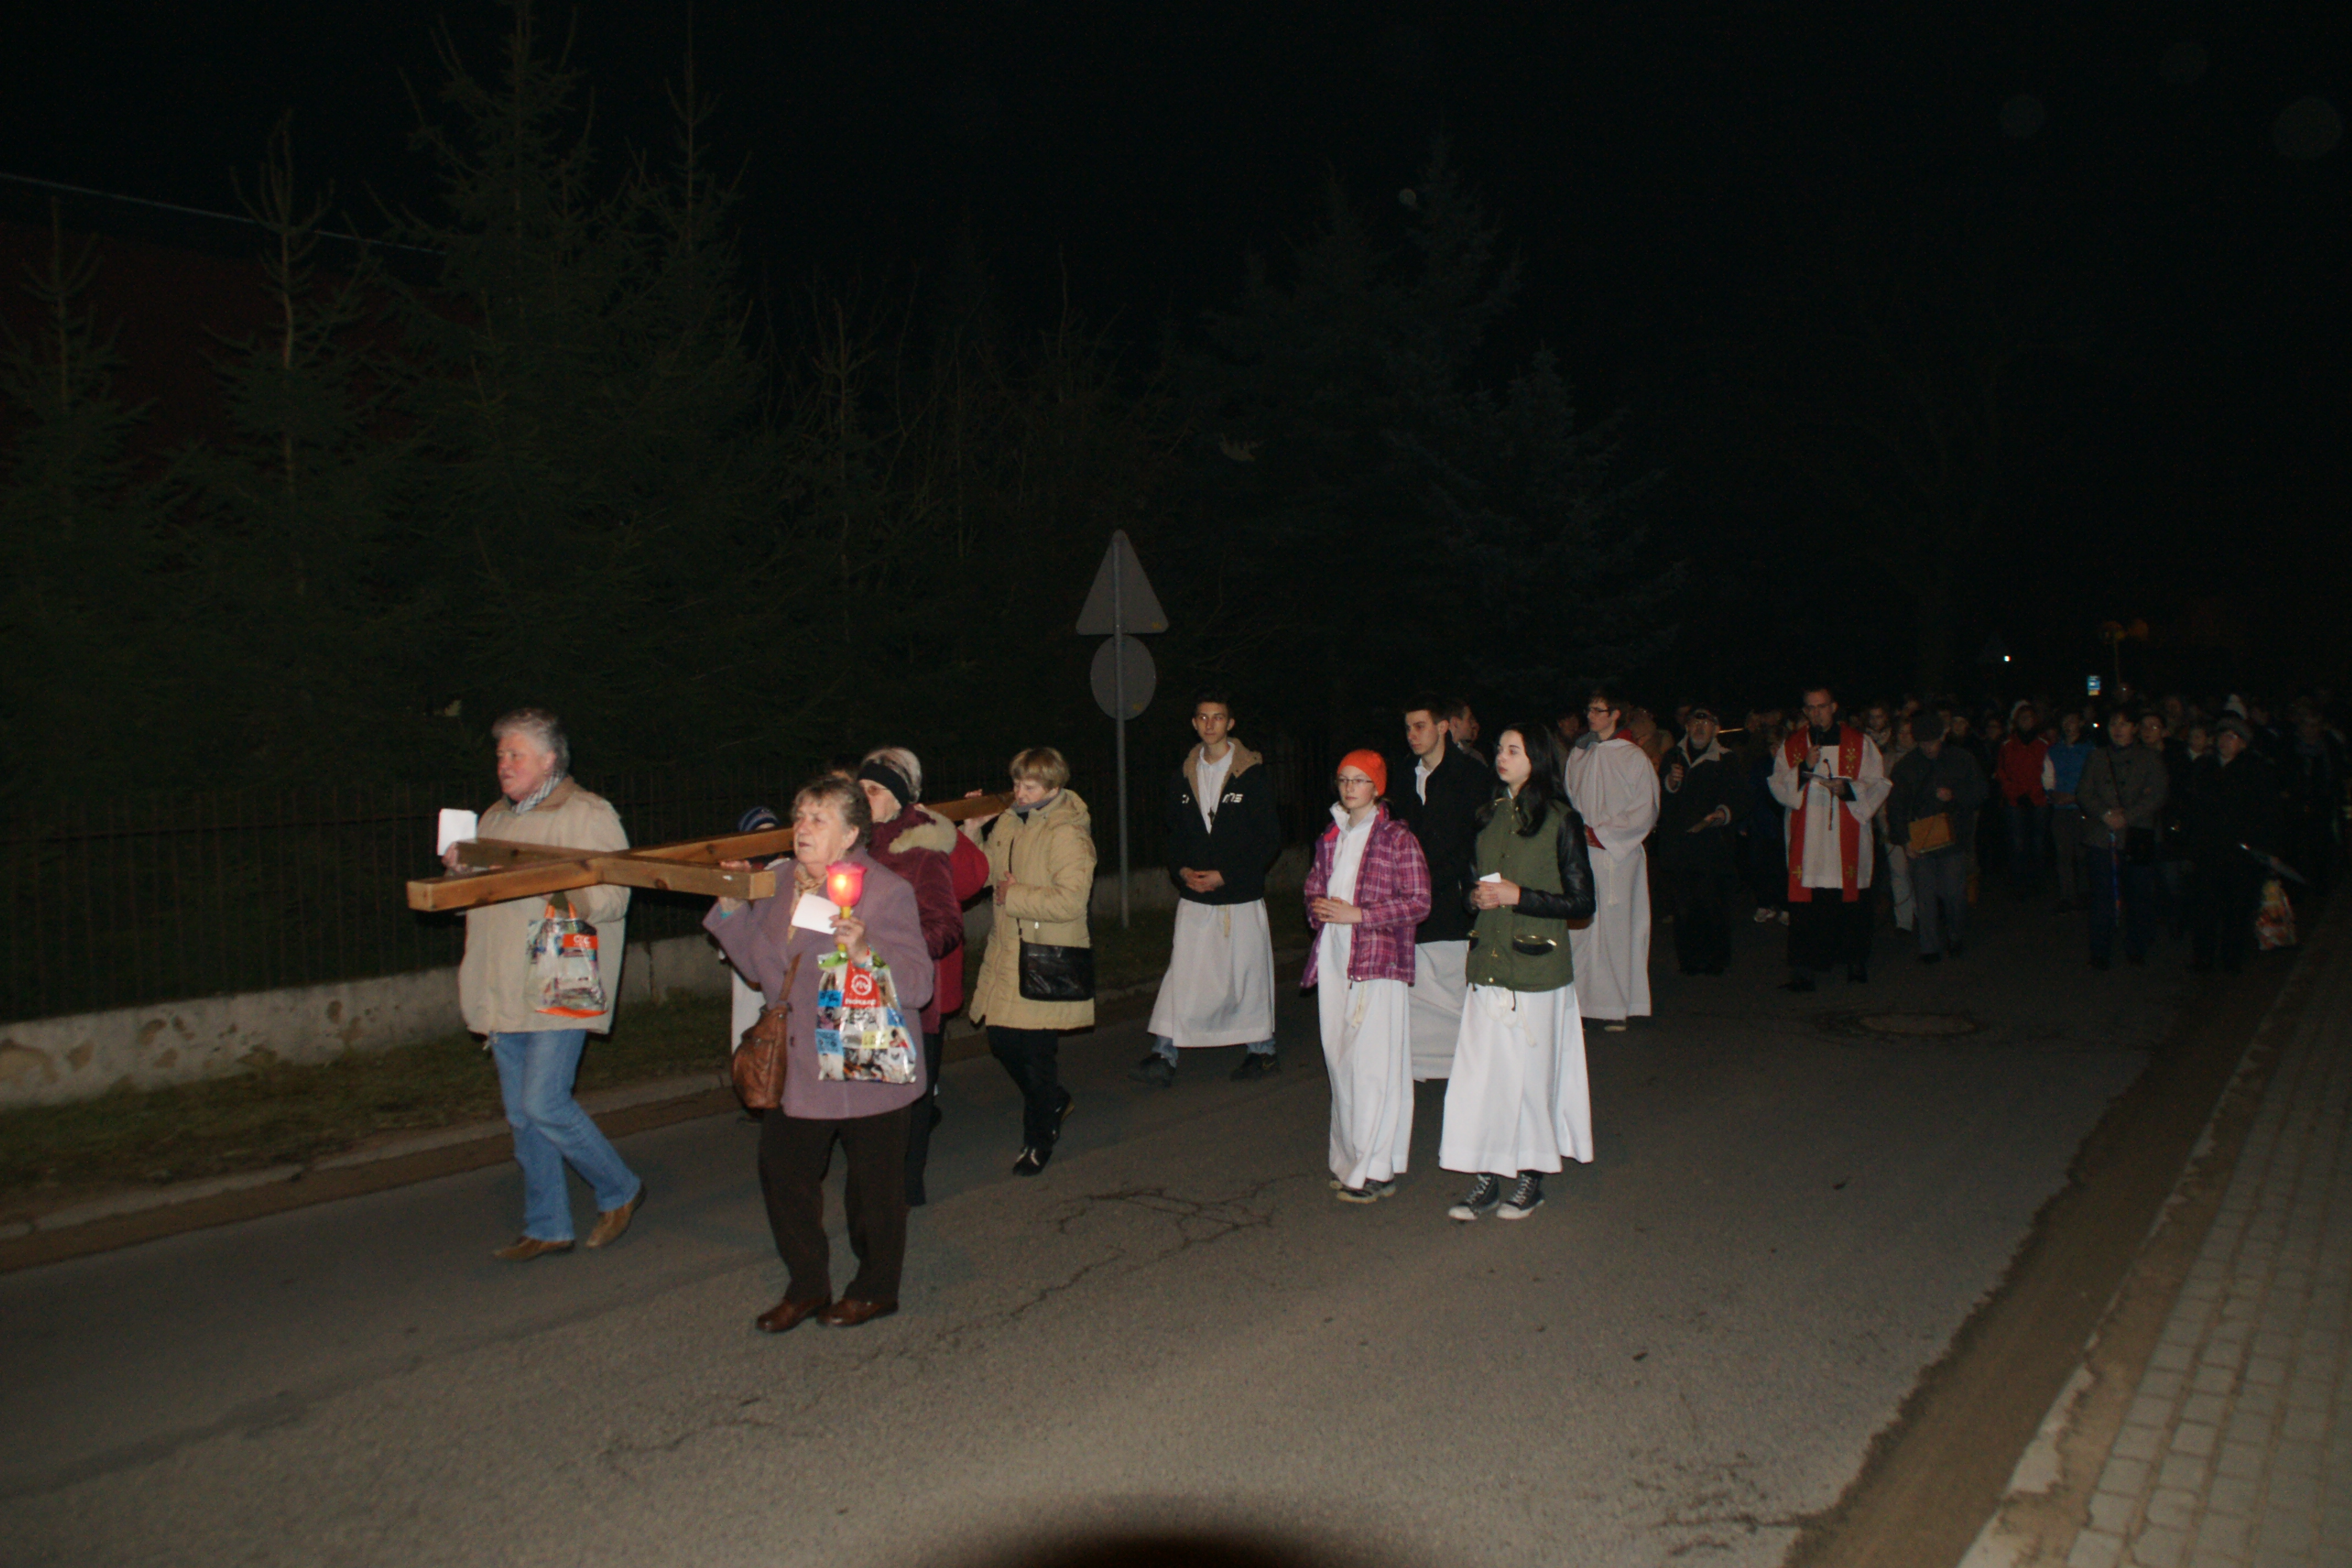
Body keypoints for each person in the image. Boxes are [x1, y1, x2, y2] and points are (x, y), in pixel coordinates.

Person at [705, 776, 934, 1331]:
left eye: (818, 818)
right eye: (800, 816)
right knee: (783, 1175)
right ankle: (808, 1286)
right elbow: (762, 971)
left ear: (851, 833)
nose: (802, 828)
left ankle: (876, 1288)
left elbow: (919, 984)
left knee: (873, 1193)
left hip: (866, 1057)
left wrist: (866, 951)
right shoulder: (780, 881)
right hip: (802, 1061)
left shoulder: (884, 891)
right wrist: (733, 910)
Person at [448, 709, 644, 1263]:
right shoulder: (493, 819)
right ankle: (548, 1224)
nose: (504, 764)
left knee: (544, 1102)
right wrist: (461, 876)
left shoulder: (587, 813)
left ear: (550, 759)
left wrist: (552, 882)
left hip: (561, 974)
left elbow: (615, 897)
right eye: (501, 755)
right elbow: (477, 903)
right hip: (500, 983)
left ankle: (620, 1188)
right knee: (521, 1115)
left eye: (516, 754)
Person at [1439, 723, 1597, 1223]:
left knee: (1531, 1078)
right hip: (1488, 966)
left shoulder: (1561, 820)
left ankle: (1531, 1175)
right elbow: (1468, 884)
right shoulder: (1488, 816)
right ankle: (1485, 1176)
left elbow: (1582, 902)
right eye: (1500, 749)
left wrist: (1519, 896)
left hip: (1536, 970)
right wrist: (1475, 897)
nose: (1502, 757)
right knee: (1481, 1079)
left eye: (1514, 750)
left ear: (1538, 759)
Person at [857, 748, 990, 1207]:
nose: (863, 798)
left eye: (874, 790)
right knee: (870, 1090)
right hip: (861, 991)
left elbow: (956, 905)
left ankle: (906, 1184)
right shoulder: (854, 841)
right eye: (860, 789)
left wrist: (895, 959)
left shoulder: (925, 839)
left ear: (900, 796)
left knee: (912, 1096)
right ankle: (877, 1180)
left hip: (913, 994)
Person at [1302, 751, 1431, 1202]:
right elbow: (1314, 886)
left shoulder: (1397, 838)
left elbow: (1419, 902)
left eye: (1359, 780)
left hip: (1378, 962)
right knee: (1341, 1062)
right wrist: (1318, 907)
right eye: (1344, 779)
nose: (1349, 788)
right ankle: (1350, 1160)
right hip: (1336, 959)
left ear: (1377, 787)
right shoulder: (1332, 835)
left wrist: (1360, 915)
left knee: (1375, 1067)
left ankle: (1376, 1168)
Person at [1136, 694, 1284, 1085]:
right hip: (1196, 895)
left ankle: (1263, 1051)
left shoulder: (1251, 775)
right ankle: (1164, 1052)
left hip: (1239, 895)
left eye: (1218, 718)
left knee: (1247, 974)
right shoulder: (1184, 775)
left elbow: (1269, 839)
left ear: (1230, 724)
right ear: (1194, 723)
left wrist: (1228, 874)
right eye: (1203, 718)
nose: (1210, 725)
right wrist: (1181, 869)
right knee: (1184, 970)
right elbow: (1173, 833)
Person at [965, 748, 1095, 1172]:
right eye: (1017, 783)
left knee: (1036, 1058)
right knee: (1001, 1041)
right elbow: (983, 875)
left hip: (1045, 956)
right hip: (1008, 951)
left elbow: (1071, 901)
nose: (1019, 793)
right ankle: (1053, 1101)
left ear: (1054, 788)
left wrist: (1015, 895)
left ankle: (1038, 1141)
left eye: (1030, 786)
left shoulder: (1067, 832)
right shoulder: (1009, 821)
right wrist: (972, 831)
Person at [1390, 695, 1495, 1080]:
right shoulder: (1403, 774)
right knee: (1418, 983)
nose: (1412, 735)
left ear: (1443, 727)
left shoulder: (1472, 775)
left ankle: (1467, 1063)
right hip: (1411, 894)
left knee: (1452, 980)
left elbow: (1478, 838)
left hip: (1452, 893)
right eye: (1408, 728)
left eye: (1420, 726)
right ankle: (1419, 1061)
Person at [1770, 687, 1891, 991]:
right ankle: (1804, 969)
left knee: (1852, 903)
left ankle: (1854, 962)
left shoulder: (1859, 743)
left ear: (1834, 707)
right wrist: (1804, 768)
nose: (1817, 713)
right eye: (1810, 708)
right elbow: (1778, 786)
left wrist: (1848, 789)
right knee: (1808, 908)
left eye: (1822, 707)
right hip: (1809, 842)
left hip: (1846, 837)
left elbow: (1877, 782)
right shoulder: (1794, 746)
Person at [1563, 684, 1659, 1031]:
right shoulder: (1580, 754)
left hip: (1618, 855)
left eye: (1598, 710)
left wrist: (1603, 834)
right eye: (1589, 709)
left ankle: (1616, 1005)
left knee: (1616, 931)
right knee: (1583, 931)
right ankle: (1581, 1003)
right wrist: (1578, 832)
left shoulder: (1633, 757)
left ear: (1616, 715)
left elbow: (1646, 808)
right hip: (1584, 853)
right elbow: (1571, 798)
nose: (1590, 716)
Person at [1884, 713, 1986, 963]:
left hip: (1952, 837)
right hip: (1920, 839)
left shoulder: (1962, 759)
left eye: (1932, 742)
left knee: (1954, 893)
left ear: (1942, 736)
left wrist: (1954, 795)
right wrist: (1905, 840)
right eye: (1923, 742)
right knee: (1925, 896)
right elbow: (1896, 807)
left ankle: (1955, 936)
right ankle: (1929, 947)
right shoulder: (1907, 766)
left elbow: (1980, 793)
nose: (1928, 748)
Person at [1654, 702, 1745, 975]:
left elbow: (1739, 797)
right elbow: (1660, 798)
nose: (1700, 728)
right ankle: (1690, 961)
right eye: (1695, 722)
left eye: (1706, 723)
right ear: (1687, 726)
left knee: (1713, 905)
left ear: (1716, 729)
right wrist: (1671, 783)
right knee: (1684, 908)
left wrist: (1722, 813)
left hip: (1712, 846)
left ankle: (1716, 960)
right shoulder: (1673, 756)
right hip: (1680, 846)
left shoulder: (1726, 759)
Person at [2077, 706, 2169, 970]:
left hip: (2137, 833)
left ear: (2135, 729)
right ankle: (2100, 951)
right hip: (2102, 835)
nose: (2118, 730)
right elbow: (2084, 792)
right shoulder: (2097, 757)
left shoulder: (2150, 758)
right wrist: (2105, 813)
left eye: (2124, 724)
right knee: (2102, 896)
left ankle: (2136, 947)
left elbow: (2159, 794)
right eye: (2113, 724)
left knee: (2139, 894)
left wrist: (2128, 815)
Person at [2186, 718, 2281, 973]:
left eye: (2232, 737)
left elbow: (2268, 813)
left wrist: (2267, 850)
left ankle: (2232, 957)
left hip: (2241, 853)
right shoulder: (2204, 767)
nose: (2225, 741)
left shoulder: (2255, 770)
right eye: (2223, 735)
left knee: (2237, 909)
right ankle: (2203, 956)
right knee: (2205, 907)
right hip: (2209, 850)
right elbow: (2193, 806)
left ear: (2243, 744)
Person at [1995, 704, 2051, 898]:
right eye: (2022, 718)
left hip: (2038, 800)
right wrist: (2016, 794)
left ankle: (2038, 882)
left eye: (2030, 717)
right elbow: (2002, 773)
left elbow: (2047, 773)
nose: (2026, 721)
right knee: (2017, 843)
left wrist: (2034, 794)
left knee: (2038, 843)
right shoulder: (2007, 745)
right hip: (2014, 801)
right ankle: (2019, 884)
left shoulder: (2044, 744)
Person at [2043, 712, 2095, 912]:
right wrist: (2052, 794)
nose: (2068, 725)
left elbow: (2094, 779)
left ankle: (2085, 893)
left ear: (2081, 723)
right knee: (2063, 854)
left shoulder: (2090, 750)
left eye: (2072, 721)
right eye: (2065, 721)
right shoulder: (2054, 751)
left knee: (2083, 853)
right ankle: (2067, 896)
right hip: (2061, 810)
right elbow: (2048, 777)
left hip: (2083, 809)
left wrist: (2077, 798)